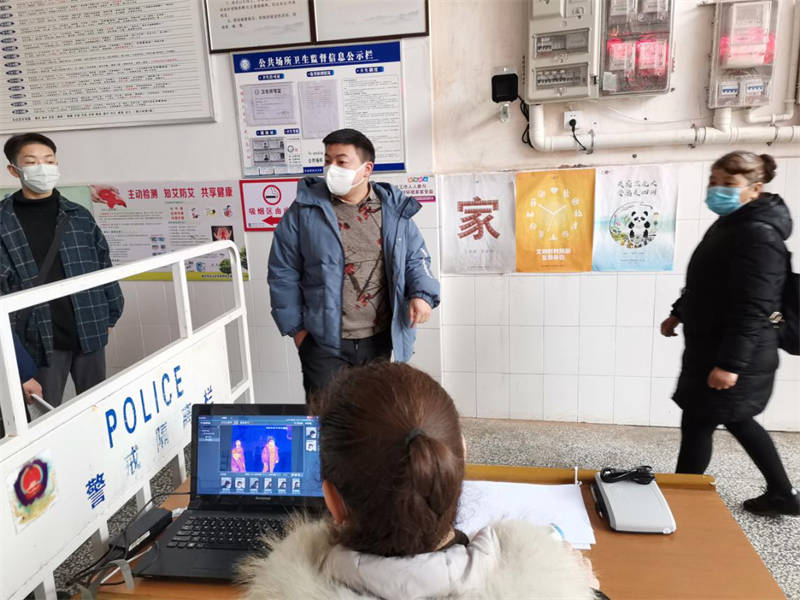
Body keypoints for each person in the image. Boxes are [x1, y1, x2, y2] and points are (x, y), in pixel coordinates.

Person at [238, 362, 599, 599]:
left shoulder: (279, 587)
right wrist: (581, 587)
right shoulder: (547, 585)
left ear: (332, 501)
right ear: (457, 462)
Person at [661, 151, 798, 516]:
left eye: (728, 184)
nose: (716, 190)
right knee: (728, 419)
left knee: (701, 421)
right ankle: (783, 494)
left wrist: (731, 364)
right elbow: (708, 283)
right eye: (714, 181)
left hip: (737, 352)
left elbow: (755, 305)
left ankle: (681, 497)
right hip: (715, 346)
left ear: (755, 189)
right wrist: (678, 312)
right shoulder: (731, 224)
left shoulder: (758, 235)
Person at [267, 129, 439, 402]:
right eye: (327, 161)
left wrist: (422, 294)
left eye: (341, 161)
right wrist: (298, 332)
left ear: (366, 169)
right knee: (327, 416)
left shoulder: (393, 210)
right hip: (322, 341)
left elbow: (415, 258)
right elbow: (282, 271)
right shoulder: (304, 212)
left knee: (372, 413)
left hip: (379, 338)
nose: (331, 169)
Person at [1, 133, 124, 407]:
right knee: (45, 415)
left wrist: (110, 315)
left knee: (97, 407)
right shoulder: (3, 222)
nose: (43, 168)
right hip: (36, 339)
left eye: (49, 161)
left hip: (89, 329)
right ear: (14, 170)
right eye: (31, 162)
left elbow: (103, 266)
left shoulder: (78, 215)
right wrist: (19, 368)